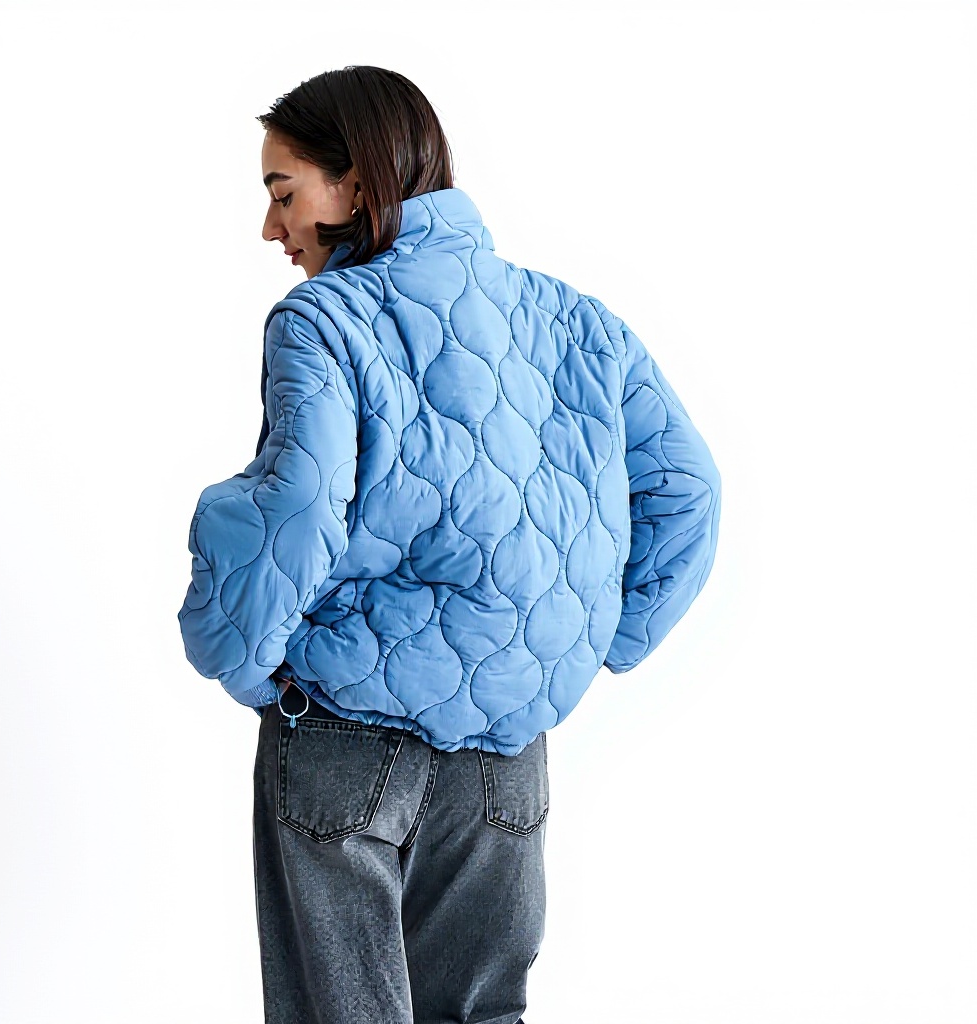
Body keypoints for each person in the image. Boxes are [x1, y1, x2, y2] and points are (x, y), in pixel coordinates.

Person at [177, 65, 722, 1024]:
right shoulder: (575, 320)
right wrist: (599, 639)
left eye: (283, 193)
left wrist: (240, 656)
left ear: (354, 185)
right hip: (508, 753)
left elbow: (298, 504)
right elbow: (688, 492)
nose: (270, 227)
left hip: (345, 727)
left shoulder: (326, 319)